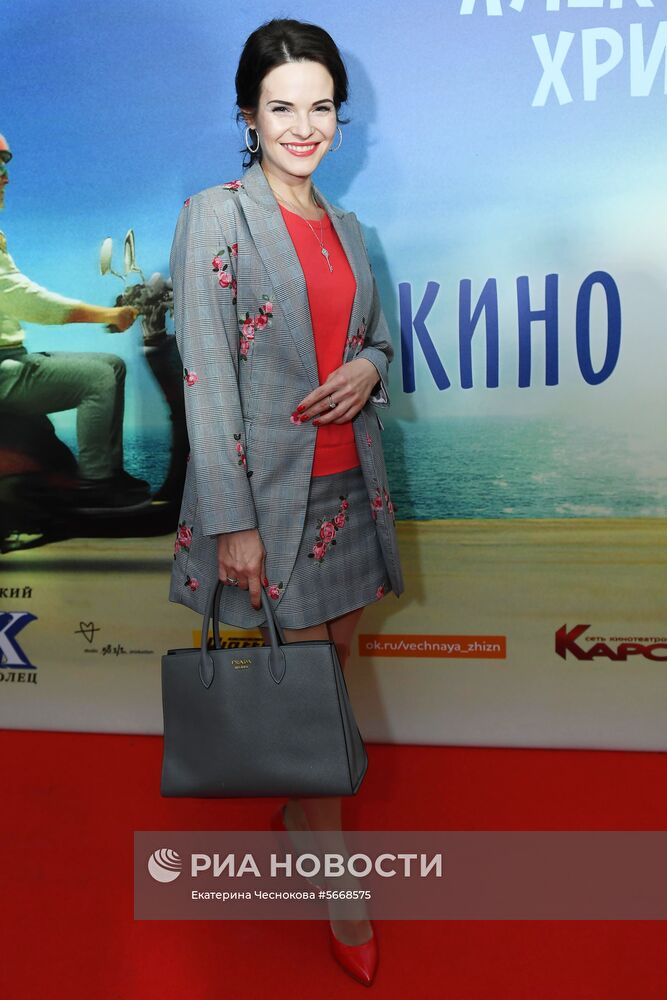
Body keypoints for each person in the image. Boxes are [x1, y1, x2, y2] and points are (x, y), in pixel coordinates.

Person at [169, 18, 404, 987]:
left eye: (321, 107)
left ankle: (304, 808)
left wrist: (367, 367)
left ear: (338, 116)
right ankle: (340, 885)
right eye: (281, 108)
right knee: (310, 698)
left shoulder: (352, 229)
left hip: (353, 488)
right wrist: (233, 523)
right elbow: (205, 379)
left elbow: (379, 339)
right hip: (270, 502)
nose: (303, 127)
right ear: (248, 115)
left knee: (328, 672)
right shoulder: (214, 215)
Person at [0, 133, 149, 510]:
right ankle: (95, 489)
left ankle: (109, 473)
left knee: (112, 366)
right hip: (3, 370)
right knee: (97, 379)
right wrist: (105, 314)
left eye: (6, 165)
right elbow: (27, 300)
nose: (6, 177)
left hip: (12, 358)